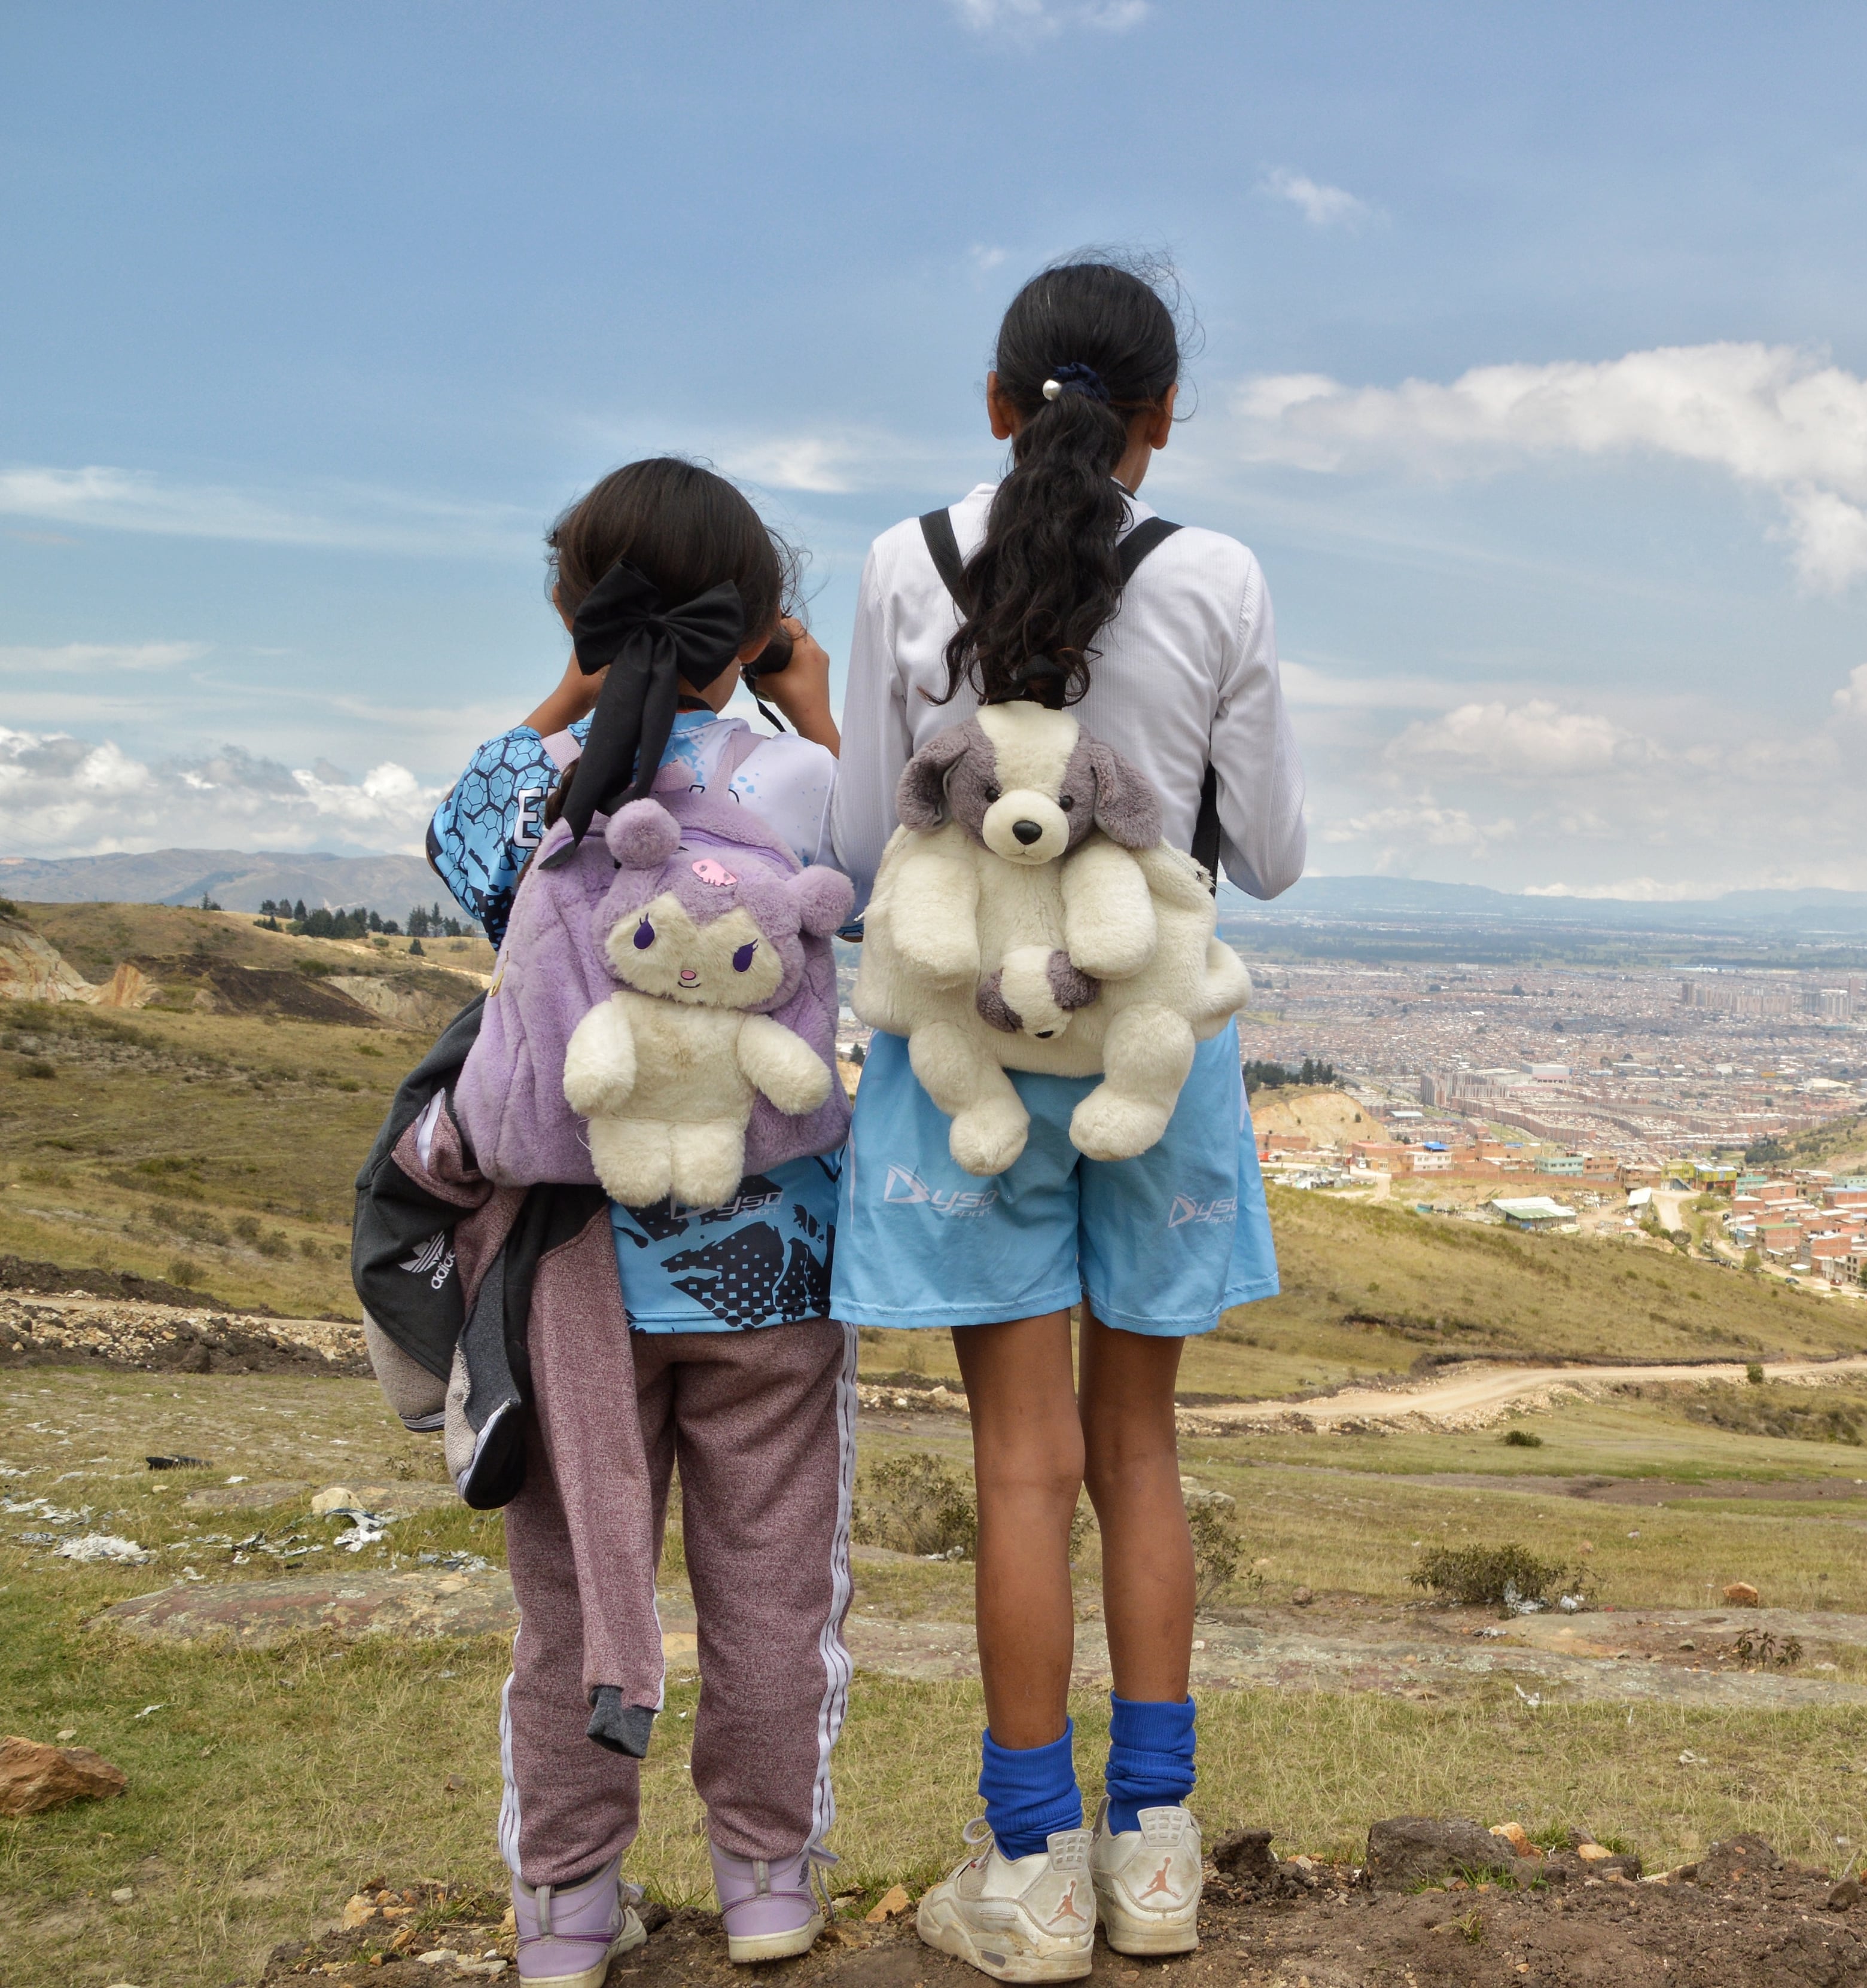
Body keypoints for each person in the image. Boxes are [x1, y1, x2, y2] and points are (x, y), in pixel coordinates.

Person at [822, 255, 1304, 1982]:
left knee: (1017, 1465)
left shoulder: (899, 565)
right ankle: (1155, 1856)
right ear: (1159, 427)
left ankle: (1027, 1872)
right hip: (1147, 1060)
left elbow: (869, 828)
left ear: (994, 403)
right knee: (1141, 1449)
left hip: (963, 1057)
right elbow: (1275, 853)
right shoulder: (1221, 575)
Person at [422, 458, 854, 1987]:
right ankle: (764, 1884)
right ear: (756, 627)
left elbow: (459, 845)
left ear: (576, 610)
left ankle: (566, 1910)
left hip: (568, 1275)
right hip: (773, 1267)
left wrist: (575, 683)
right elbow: (883, 870)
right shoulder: (798, 789)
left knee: (572, 1600)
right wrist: (802, 697)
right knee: (773, 1592)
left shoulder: (521, 788)